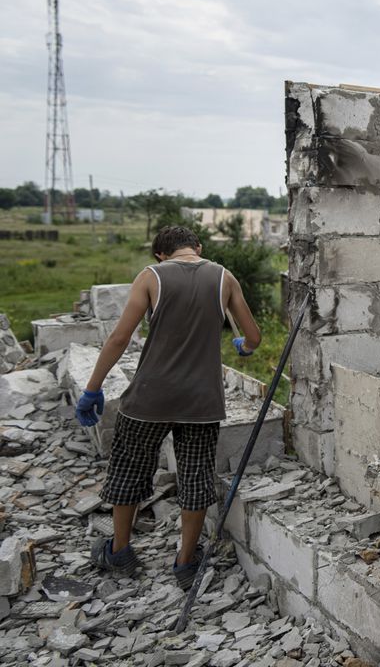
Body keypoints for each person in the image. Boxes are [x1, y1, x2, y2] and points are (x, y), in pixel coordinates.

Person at [75, 224, 261, 588]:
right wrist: (243, 346)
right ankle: (185, 562)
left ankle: (120, 551)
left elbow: (119, 338)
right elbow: (253, 337)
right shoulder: (224, 277)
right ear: (198, 246)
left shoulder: (150, 277)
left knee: (129, 469)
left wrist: (93, 387)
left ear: (161, 253)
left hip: (149, 399)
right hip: (202, 402)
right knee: (195, 478)